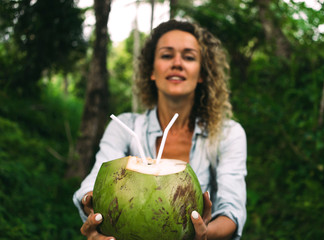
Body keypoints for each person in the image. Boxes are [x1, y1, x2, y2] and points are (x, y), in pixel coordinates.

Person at [73, 19, 247, 240]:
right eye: (166, 55)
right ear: (152, 71)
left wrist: (203, 234)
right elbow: (94, 179)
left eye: (189, 56)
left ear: (202, 73)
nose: (177, 63)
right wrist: (92, 205)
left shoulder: (228, 134)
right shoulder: (124, 127)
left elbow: (232, 211)